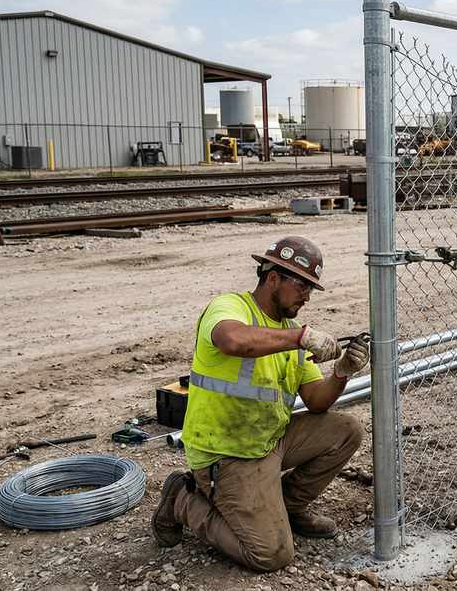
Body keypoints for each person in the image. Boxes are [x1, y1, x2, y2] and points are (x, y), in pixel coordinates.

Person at [152, 236, 370, 572]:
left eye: (311, 288)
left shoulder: (291, 330)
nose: (307, 296)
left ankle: (287, 506)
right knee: (271, 554)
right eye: (302, 286)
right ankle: (182, 498)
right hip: (227, 453)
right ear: (273, 278)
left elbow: (316, 401)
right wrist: (300, 338)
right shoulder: (230, 307)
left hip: (270, 441)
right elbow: (232, 339)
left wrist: (341, 372)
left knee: (346, 429)